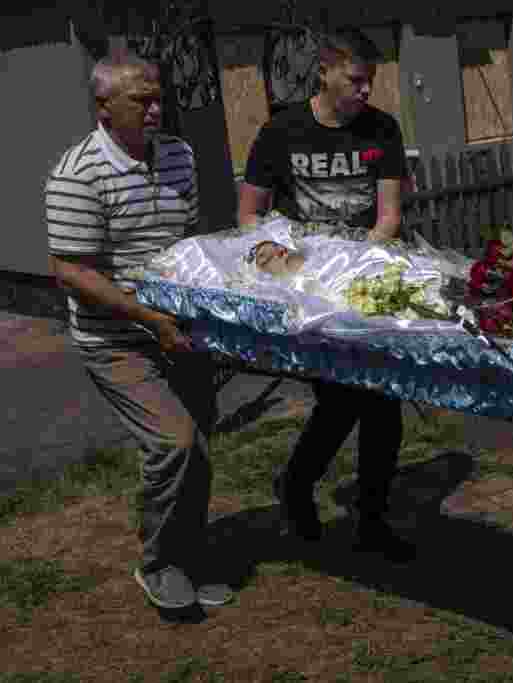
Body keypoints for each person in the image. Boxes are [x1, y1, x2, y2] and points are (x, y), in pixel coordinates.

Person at [45, 50, 233, 610]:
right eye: (142, 101)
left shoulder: (179, 155)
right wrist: (151, 320)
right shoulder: (77, 174)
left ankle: (190, 558)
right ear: (104, 108)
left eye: (159, 99)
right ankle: (159, 564)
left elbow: (188, 240)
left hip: (178, 329)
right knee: (172, 443)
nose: (156, 110)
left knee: (196, 449)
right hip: (117, 339)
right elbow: (71, 269)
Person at [236, 27, 415, 562]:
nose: (365, 91)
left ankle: (372, 520)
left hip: (362, 282)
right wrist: (274, 256)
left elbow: (388, 217)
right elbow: (249, 214)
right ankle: (297, 487)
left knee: (383, 405)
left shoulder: (382, 129)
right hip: (305, 289)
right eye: (356, 80)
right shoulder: (281, 132)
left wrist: (358, 264)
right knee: (339, 401)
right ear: (325, 72)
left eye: (370, 81)